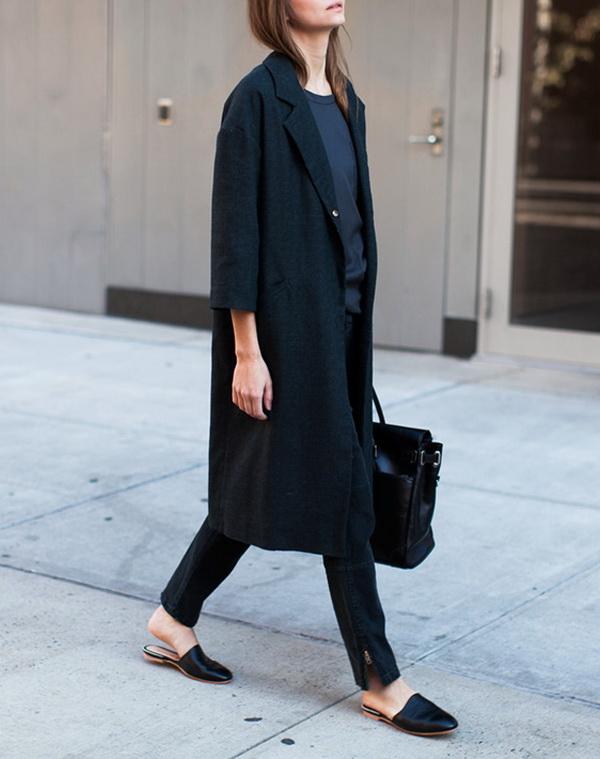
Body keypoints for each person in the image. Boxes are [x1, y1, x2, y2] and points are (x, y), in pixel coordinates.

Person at [143, 0, 458, 737]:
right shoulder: (256, 100)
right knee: (345, 495)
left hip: (339, 328)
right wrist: (247, 352)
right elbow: (235, 238)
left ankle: (173, 616)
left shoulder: (347, 100)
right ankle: (380, 677)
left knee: (263, 481)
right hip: (281, 338)